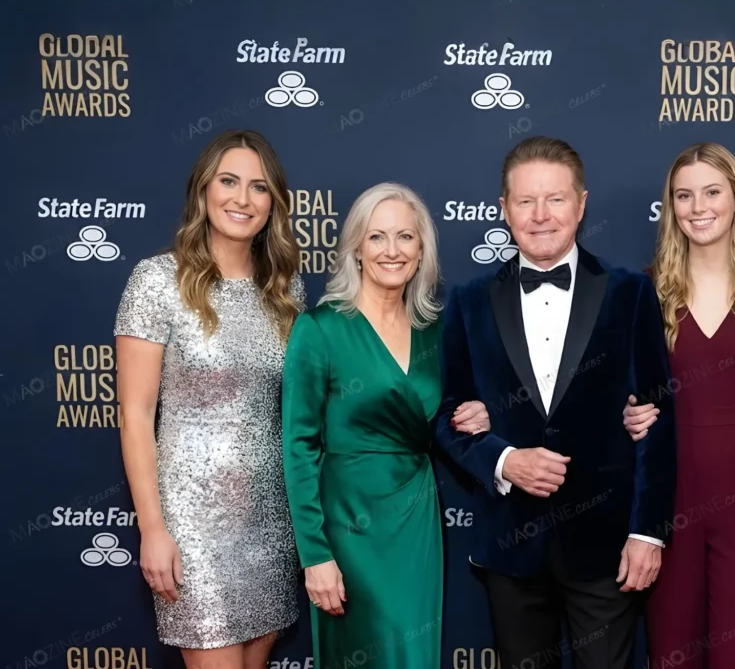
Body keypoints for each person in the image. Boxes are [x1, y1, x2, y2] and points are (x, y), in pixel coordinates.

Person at [432, 136, 677, 669]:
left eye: (556, 199)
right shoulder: (469, 301)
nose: (541, 215)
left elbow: (658, 420)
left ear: (581, 205)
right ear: (504, 209)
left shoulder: (631, 292)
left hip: (607, 547)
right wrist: (504, 459)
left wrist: (647, 532)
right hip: (511, 546)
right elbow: (446, 417)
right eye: (526, 201)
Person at [280, 182, 491, 669]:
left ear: (421, 251)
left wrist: (478, 415)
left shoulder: (435, 332)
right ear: (356, 248)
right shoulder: (321, 328)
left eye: (405, 237)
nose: (391, 250)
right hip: (348, 523)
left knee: (413, 655)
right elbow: (298, 447)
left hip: (415, 518)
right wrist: (315, 555)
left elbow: (445, 417)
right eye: (377, 237)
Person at [115, 129, 303, 667]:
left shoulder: (286, 291)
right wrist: (153, 528)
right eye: (228, 182)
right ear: (203, 190)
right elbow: (135, 415)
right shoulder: (157, 281)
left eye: (259, 187)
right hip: (191, 524)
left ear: (274, 203)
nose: (243, 199)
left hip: (271, 521)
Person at [622, 142, 735, 668]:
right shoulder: (644, 290)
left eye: (711, 192)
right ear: (671, 207)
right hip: (668, 493)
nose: (698, 207)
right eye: (684, 195)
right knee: (671, 652)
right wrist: (627, 415)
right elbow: (626, 397)